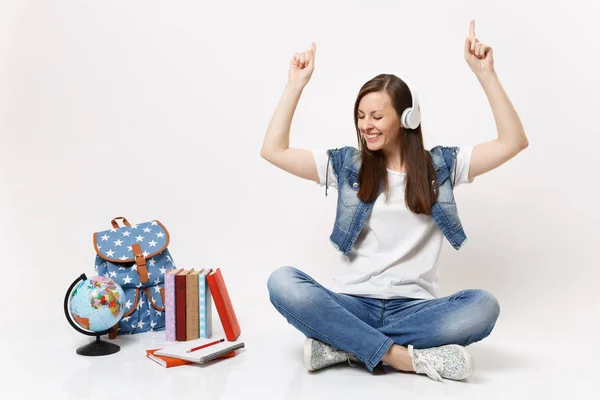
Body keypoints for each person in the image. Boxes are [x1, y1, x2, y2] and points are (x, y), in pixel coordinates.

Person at [260, 20, 529, 382]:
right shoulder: (346, 165)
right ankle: (400, 357)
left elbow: (513, 141)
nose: (365, 125)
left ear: (407, 118)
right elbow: (273, 150)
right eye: (360, 116)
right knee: (282, 281)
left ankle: (343, 346)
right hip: (352, 304)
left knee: (482, 307)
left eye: (376, 116)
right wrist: (295, 84)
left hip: (415, 311)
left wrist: (485, 74)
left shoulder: (441, 166)